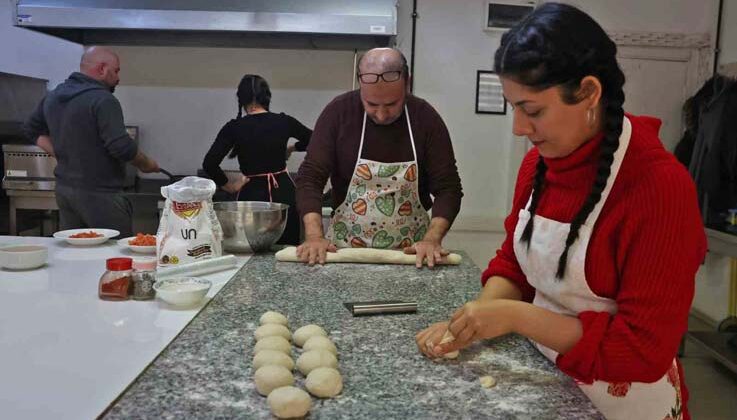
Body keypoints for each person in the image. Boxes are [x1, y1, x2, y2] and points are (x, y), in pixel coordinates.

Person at [415, 4, 706, 419]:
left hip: (623, 403)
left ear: (588, 92)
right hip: (548, 385)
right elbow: (514, 264)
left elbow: (643, 350)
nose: (518, 127)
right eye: (513, 107)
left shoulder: (658, 188)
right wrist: (474, 320)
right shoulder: (540, 165)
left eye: (532, 110)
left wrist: (516, 316)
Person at [296, 48, 463, 266]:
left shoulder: (426, 119)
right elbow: (310, 178)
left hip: (412, 258)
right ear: (360, 86)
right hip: (345, 255)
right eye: (372, 104)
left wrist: (432, 240)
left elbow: (448, 189)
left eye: (392, 104)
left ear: (407, 84)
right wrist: (314, 236)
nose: (382, 114)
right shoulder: (338, 113)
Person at [24, 46, 160, 238]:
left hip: (65, 192)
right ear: (102, 69)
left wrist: (61, 153)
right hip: (101, 195)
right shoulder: (103, 100)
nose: (118, 78)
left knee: (75, 252)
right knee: (115, 254)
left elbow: (31, 129)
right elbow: (121, 147)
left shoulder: (54, 95)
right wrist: (147, 164)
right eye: (116, 71)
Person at [202, 74, 312, 245]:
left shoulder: (234, 127)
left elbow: (209, 163)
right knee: (287, 252)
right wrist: (292, 147)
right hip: (284, 195)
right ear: (267, 97)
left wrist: (229, 186)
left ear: (241, 99)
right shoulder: (284, 122)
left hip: (251, 199)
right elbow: (314, 139)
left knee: (252, 251)